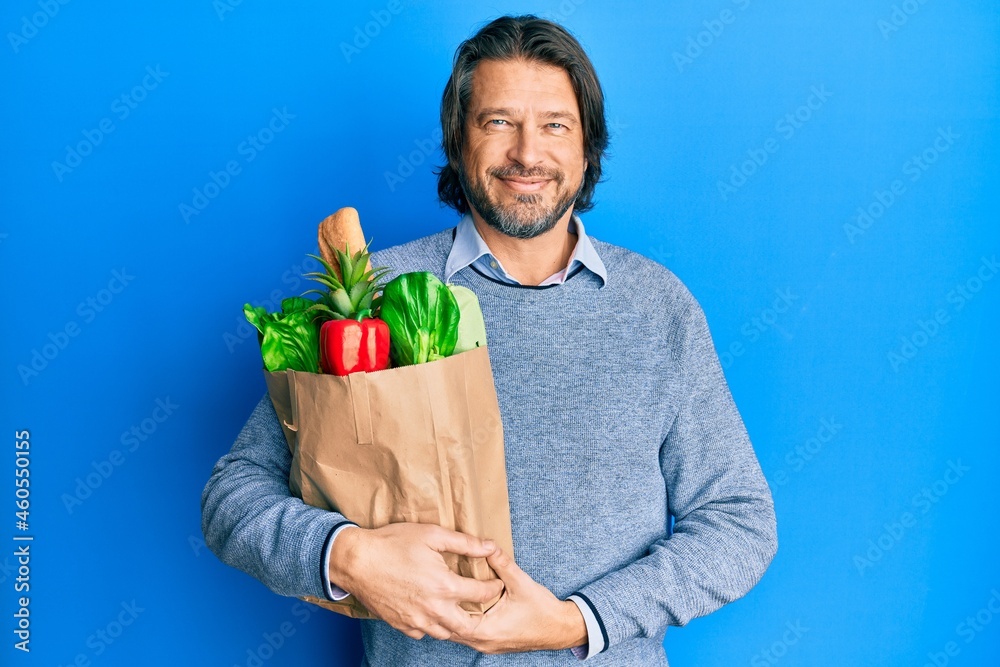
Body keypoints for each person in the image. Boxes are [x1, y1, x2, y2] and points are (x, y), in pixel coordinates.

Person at [202, 14, 777, 666]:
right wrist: (349, 555)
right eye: (498, 121)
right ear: (458, 139)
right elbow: (232, 498)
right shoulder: (372, 294)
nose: (528, 153)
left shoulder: (657, 306)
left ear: (588, 147)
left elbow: (740, 523)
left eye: (555, 124)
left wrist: (574, 621)